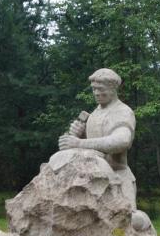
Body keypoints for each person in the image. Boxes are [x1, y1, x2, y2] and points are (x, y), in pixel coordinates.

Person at [58, 68, 137, 208]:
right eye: (94, 89)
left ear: (113, 89)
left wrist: (79, 142)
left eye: (100, 89)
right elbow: (94, 144)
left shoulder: (123, 112)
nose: (96, 93)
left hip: (116, 175)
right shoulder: (95, 113)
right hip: (90, 176)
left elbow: (121, 141)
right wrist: (79, 134)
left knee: (129, 219)